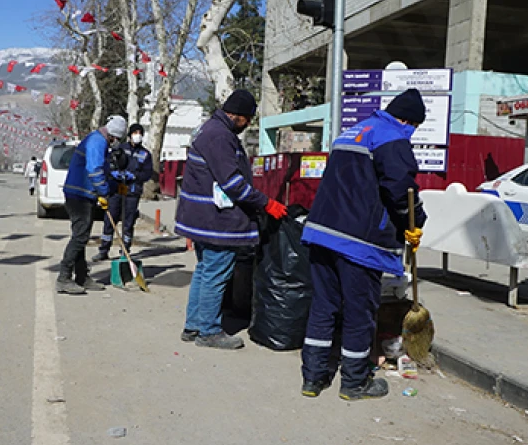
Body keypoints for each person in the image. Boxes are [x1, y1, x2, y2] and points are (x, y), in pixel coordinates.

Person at [299, 88, 427, 401]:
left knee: (324, 306)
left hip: (322, 232)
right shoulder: (392, 137)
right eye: (415, 127)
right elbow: (400, 190)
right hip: (358, 241)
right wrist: (414, 223)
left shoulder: (352, 133)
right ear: (408, 120)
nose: (412, 133)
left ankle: (313, 379)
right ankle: (355, 382)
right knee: (359, 311)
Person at [175, 89, 287, 350]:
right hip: (216, 220)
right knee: (215, 271)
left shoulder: (210, 130)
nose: (247, 123)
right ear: (236, 115)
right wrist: (266, 203)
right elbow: (233, 183)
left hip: (202, 217)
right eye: (247, 118)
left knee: (204, 270)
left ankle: (194, 325)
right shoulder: (219, 136)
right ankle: (209, 331)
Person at [57, 115, 128, 295]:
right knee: (80, 237)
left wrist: (113, 185)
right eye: (117, 139)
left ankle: (82, 276)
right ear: (113, 135)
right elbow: (94, 170)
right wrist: (104, 192)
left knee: (80, 236)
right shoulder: (98, 142)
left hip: (82, 194)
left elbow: (102, 170)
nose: (117, 142)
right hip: (79, 195)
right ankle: (63, 278)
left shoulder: (97, 140)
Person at [94, 123, 154, 262]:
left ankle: (125, 250)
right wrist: (113, 173)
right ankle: (104, 250)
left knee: (128, 223)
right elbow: (109, 163)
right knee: (110, 220)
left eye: (140, 133)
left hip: (132, 192)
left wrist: (135, 177)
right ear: (129, 135)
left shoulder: (145, 154)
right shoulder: (120, 148)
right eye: (135, 133)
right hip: (117, 190)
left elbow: (147, 173)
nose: (137, 135)